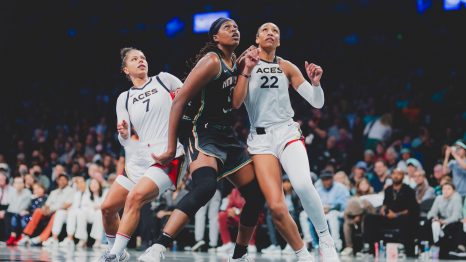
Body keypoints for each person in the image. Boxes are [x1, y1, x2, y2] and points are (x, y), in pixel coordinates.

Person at [146, 18, 269, 262]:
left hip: (226, 134)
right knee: (205, 188)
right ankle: (157, 248)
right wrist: (172, 147)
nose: (234, 29)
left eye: (236, 26)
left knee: (256, 195)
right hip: (201, 131)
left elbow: (235, 103)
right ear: (215, 38)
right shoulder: (211, 61)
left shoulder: (234, 62)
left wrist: (245, 70)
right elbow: (179, 100)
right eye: (227, 28)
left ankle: (239, 254)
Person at [232, 22, 339, 260]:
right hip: (260, 140)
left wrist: (316, 83)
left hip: (286, 132)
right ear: (257, 39)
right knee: (277, 207)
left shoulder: (286, 66)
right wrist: (247, 69)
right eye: (265, 30)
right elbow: (236, 103)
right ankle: (303, 253)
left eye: (276, 31)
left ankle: (325, 238)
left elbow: (317, 102)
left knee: (301, 184)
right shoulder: (245, 62)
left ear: (278, 41)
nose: (271, 33)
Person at [96, 47, 186, 262]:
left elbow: (189, 100)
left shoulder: (165, 80)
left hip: (168, 154)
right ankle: (119, 252)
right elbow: (125, 139)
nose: (141, 61)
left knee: (135, 198)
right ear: (125, 69)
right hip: (139, 158)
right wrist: (124, 133)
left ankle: (114, 255)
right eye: (134, 59)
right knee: (107, 208)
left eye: (143, 58)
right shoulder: (124, 98)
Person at [362, 169, 419, 257]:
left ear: (403, 176)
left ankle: (407, 250)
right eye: (394, 174)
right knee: (369, 218)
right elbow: (385, 204)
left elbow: (411, 209)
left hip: (402, 218)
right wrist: (383, 210)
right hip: (388, 217)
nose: (396, 176)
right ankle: (371, 248)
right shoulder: (388, 189)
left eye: (399, 174)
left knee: (407, 220)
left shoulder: (409, 190)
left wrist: (396, 215)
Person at [427, 182, 463, 254]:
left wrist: (443, 221)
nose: (446, 191)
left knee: (455, 225)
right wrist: (434, 217)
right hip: (441, 220)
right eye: (444, 189)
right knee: (428, 223)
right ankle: (429, 246)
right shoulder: (439, 198)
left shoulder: (457, 198)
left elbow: (456, 216)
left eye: (448, 189)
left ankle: (444, 246)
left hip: (453, 221)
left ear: (454, 190)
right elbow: (431, 212)